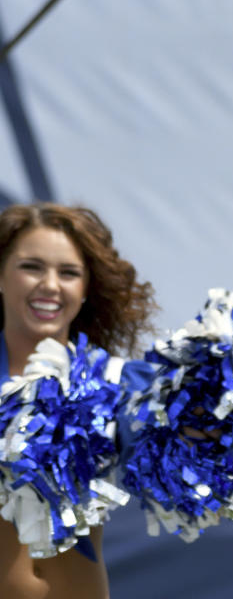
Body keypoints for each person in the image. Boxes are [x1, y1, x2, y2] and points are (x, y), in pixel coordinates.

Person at [0, 202, 156, 599]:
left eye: (68, 273)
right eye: (31, 267)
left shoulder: (116, 383)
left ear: (87, 289)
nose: (50, 285)